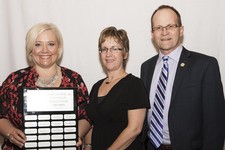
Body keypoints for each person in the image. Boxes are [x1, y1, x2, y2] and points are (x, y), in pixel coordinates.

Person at [140, 5, 225, 150]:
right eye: (158, 28)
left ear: (181, 30)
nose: (164, 32)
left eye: (170, 26)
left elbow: (215, 123)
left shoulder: (205, 65)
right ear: (152, 33)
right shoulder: (146, 67)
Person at [0, 22, 89, 149]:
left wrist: (75, 135)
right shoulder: (14, 80)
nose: (45, 50)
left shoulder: (74, 79)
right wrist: (10, 133)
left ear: (59, 48)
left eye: (51, 44)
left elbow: (86, 116)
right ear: (31, 49)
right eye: (38, 44)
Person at [77, 26, 150, 150]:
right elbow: (92, 122)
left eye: (114, 49)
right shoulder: (96, 86)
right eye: (104, 49)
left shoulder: (135, 85)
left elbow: (135, 129)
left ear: (125, 53)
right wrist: (88, 146)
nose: (108, 54)